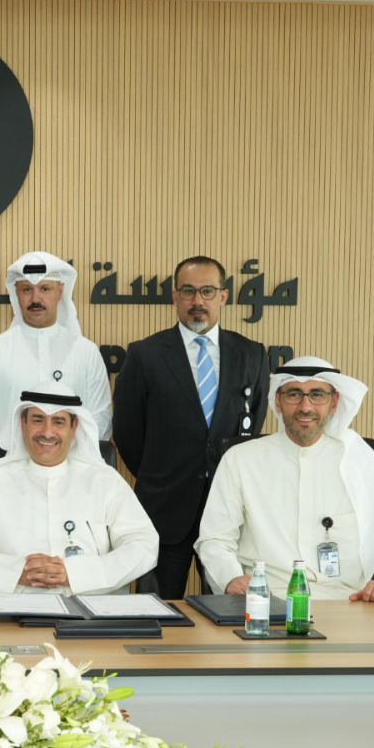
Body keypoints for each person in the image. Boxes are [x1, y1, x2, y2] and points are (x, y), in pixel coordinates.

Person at [195, 356, 374, 602]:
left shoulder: (361, 462)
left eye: (317, 395)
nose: (305, 407)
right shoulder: (241, 459)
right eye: (294, 394)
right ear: (278, 402)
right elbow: (215, 539)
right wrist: (231, 578)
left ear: (334, 402)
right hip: (268, 600)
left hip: (347, 603)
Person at [113, 255, 269, 599]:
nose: (198, 301)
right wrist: (161, 473)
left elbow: (252, 425)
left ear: (223, 296)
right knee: (159, 611)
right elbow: (127, 431)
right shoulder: (145, 354)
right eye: (188, 291)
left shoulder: (252, 354)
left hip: (228, 512)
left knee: (226, 611)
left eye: (207, 291)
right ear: (175, 296)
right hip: (165, 508)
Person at [0, 383, 157, 596]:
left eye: (58, 422)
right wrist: (14, 571)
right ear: (23, 424)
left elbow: (143, 543)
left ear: (74, 427)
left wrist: (76, 574)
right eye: (38, 420)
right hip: (11, 610)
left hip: (92, 610)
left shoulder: (105, 481)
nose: (47, 432)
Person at [0, 251, 112, 444]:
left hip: (73, 461)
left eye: (45, 289)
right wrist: (11, 457)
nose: (36, 298)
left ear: (60, 292)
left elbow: (100, 420)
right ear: (16, 293)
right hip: (5, 461)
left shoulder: (86, 352)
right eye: (27, 289)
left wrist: (65, 457)